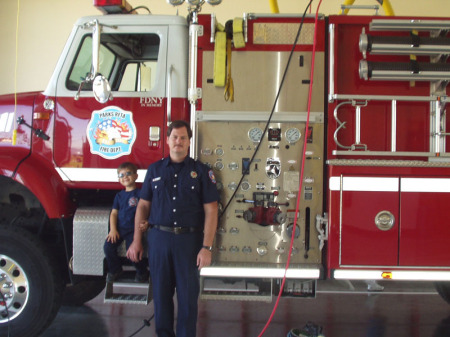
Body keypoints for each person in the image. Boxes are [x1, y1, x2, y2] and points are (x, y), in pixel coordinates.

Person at [127, 120, 219, 337]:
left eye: (183, 137)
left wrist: (207, 247)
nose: (179, 141)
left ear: (189, 141)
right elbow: (143, 206)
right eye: (175, 137)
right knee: (161, 296)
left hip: (189, 243)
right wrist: (137, 240)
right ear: (167, 140)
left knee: (188, 299)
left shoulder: (202, 172)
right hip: (159, 240)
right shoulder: (155, 170)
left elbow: (212, 210)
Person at [104, 162, 149, 283]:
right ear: (118, 179)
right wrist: (113, 230)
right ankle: (115, 270)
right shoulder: (119, 196)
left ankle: (142, 272)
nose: (125, 176)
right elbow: (114, 214)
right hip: (120, 229)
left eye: (128, 173)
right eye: (121, 174)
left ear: (136, 176)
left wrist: (148, 222)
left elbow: (148, 210)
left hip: (134, 231)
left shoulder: (141, 194)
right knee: (108, 247)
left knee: (133, 254)